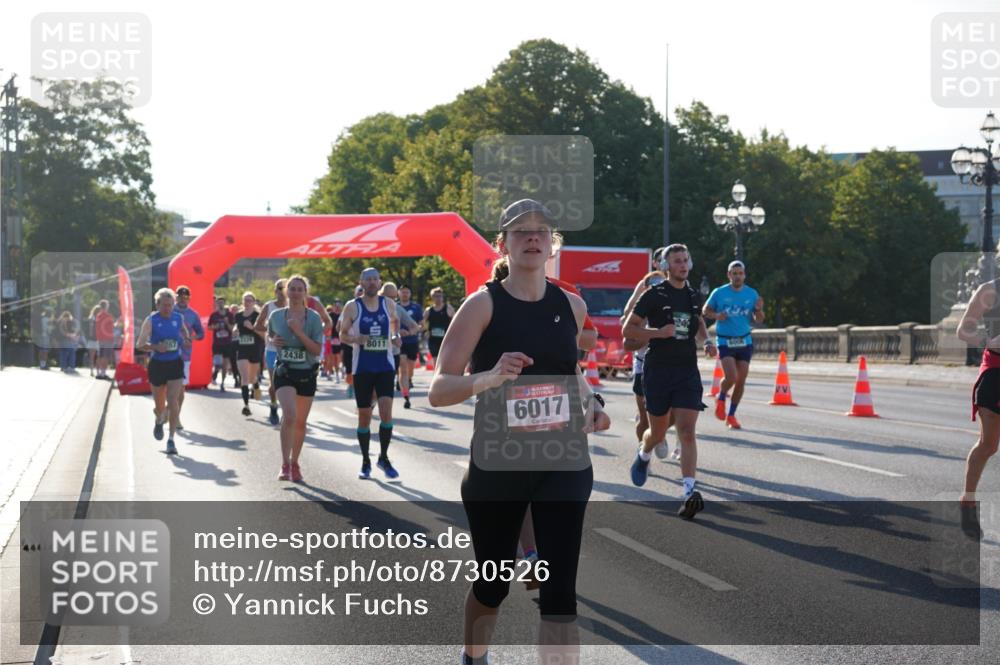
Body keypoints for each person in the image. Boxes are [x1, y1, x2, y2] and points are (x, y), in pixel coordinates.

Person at [429, 199, 609, 665]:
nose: (533, 238)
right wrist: (488, 377)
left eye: (542, 231)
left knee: (559, 591)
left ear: (552, 244)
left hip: (563, 462)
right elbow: (438, 389)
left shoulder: (571, 305)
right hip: (497, 466)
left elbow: (570, 374)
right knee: (493, 585)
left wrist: (593, 405)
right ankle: (474, 656)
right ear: (502, 244)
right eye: (521, 231)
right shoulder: (482, 305)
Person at [623, 243, 717, 519]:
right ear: (666, 267)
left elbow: (698, 320)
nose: (683, 265)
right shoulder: (654, 295)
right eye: (677, 261)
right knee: (659, 433)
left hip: (687, 371)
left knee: (687, 431)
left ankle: (688, 491)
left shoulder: (691, 294)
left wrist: (707, 340)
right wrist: (658, 332)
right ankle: (644, 452)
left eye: (686, 260)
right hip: (658, 371)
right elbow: (628, 329)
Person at [340, 268, 400, 480]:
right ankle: (366, 461)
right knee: (364, 417)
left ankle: (383, 457)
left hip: (385, 366)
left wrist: (396, 337)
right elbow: (342, 334)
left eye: (375, 279)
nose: (372, 282)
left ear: (380, 282)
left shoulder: (389, 304)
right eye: (368, 279)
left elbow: (395, 323)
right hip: (362, 367)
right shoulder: (352, 306)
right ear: (362, 283)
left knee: (386, 411)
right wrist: (356, 339)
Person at [267, 275, 325, 482]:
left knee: (300, 422)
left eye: (300, 289)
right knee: (290, 416)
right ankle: (284, 463)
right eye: (292, 288)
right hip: (284, 371)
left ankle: (295, 462)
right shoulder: (276, 316)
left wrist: (299, 332)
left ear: (305, 293)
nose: (296, 292)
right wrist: (273, 340)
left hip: (307, 372)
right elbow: (270, 337)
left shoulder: (314, 318)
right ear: (286, 291)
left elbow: (316, 350)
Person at [957, 276, 1000, 540]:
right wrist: (989, 340)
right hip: (996, 373)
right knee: (989, 445)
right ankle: (968, 502)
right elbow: (963, 330)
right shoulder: (990, 289)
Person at [703, 260, 764, 429]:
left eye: (740, 273)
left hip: (744, 340)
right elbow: (704, 311)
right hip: (725, 340)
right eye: (734, 273)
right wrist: (716, 315)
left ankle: (731, 415)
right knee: (731, 376)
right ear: (729, 275)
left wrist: (758, 310)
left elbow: (759, 319)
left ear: (744, 275)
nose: (737, 276)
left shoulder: (752, 294)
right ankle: (721, 397)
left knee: (741, 380)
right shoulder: (719, 292)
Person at [136, 288, 191, 455]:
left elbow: (183, 330)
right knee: (160, 406)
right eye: (165, 305)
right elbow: (139, 344)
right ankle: (159, 418)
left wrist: (187, 338)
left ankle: (171, 440)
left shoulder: (178, 317)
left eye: (170, 305)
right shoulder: (151, 320)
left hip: (175, 363)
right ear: (157, 305)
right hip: (157, 365)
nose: (168, 308)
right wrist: (155, 347)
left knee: (173, 400)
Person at [621, 271, 669, 455]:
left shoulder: (673, 310)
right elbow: (627, 344)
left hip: (668, 366)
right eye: (653, 286)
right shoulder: (639, 314)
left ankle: (660, 436)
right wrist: (652, 335)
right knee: (644, 416)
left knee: (667, 412)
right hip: (643, 365)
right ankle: (643, 450)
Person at [379, 282, 422, 408]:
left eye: (393, 298)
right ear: (381, 296)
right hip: (377, 353)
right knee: (380, 384)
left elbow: (415, 326)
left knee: (402, 371)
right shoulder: (372, 308)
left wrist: (407, 332)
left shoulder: (397, 309)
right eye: (387, 297)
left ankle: (406, 396)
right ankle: (370, 404)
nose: (390, 301)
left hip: (394, 352)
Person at [255, 280, 288, 424]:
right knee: (275, 382)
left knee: (290, 383)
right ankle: (274, 405)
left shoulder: (295, 306)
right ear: (276, 291)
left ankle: (288, 412)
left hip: (290, 350)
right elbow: (257, 326)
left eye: (285, 288)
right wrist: (270, 331)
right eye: (280, 288)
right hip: (272, 350)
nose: (283, 291)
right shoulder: (269, 306)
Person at [173, 285, 206, 430]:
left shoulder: (193, 314)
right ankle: (167, 409)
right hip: (167, 353)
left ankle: (176, 416)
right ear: (176, 297)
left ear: (189, 299)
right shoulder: (169, 310)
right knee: (167, 386)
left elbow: (201, 333)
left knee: (181, 387)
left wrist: (192, 336)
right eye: (180, 297)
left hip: (185, 355)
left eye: (186, 297)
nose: (183, 300)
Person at [234, 292, 264, 416]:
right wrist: (235, 330)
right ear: (242, 301)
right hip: (242, 348)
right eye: (245, 300)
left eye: (250, 300)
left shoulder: (258, 315)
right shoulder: (238, 315)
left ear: (254, 302)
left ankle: (255, 384)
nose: (247, 302)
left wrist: (252, 328)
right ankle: (246, 405)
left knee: (251, 378)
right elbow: (237, 326)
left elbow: (263, 335)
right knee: (244, 377)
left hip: (255, 348)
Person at [397, 286, 423, 404]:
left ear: (410, 294)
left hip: (412, 341)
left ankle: (408, 379)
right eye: (403, 292)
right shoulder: (394, 307)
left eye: (407, 292)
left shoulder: (416, 307)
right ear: (399, 293)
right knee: (403, 367)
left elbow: (422, 325)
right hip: (399, 342)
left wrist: (413, 330)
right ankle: (406, 396)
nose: (405, 294)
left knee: (410, 369)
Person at [209, 297, 235, 391]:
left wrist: (227, 323)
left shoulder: (230, 315)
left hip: (227, 343)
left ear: (224, 304)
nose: (220, 304)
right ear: (216, 304)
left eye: (222, 303)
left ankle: (222, 383)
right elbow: (209, 327)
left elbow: (233, 329)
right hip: (217, 343)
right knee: (218, 363)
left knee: (225, 365)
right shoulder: (214, 315)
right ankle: (215, 371)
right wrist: (216, 326)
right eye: (218, 303)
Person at [343, 284, 364, 399]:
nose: (361, 293)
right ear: (355, 294)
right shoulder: (350, 306)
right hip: (349, 344)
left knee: (361, 371)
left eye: (362, 291)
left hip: (364, 346)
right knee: (350, 371)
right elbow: (339, 327)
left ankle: (358, 389)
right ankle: (351, 385)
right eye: (359, 292)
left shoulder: (372, 306)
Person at [424, 287, 455, 363]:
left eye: (440, 296)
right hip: (433, 339)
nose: (438, 298)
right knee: (436, 360)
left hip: (446, 338)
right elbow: (422, 323)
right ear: (432, 297)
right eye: (436, 296)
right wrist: (425, 331)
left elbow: (455, 321)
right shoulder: (428, 310)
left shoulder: (448, 308)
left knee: (446, 360)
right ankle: (437, 374)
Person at [94, 300, 117, 380]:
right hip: (108, 339)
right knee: (105, 356)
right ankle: (103, 373)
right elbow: (112, 326)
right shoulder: (108, 316)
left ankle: (98, 373)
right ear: (106, 306)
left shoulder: (98, 316)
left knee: (99, 356)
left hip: (99, 339)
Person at [85, 304, 101, 376]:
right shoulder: (92, 318)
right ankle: (92, 371)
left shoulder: (97, 318)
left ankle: (97, 371)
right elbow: (91, 329)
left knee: (97, 356)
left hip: (97, 339)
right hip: (93, 339)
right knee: (92, 356)